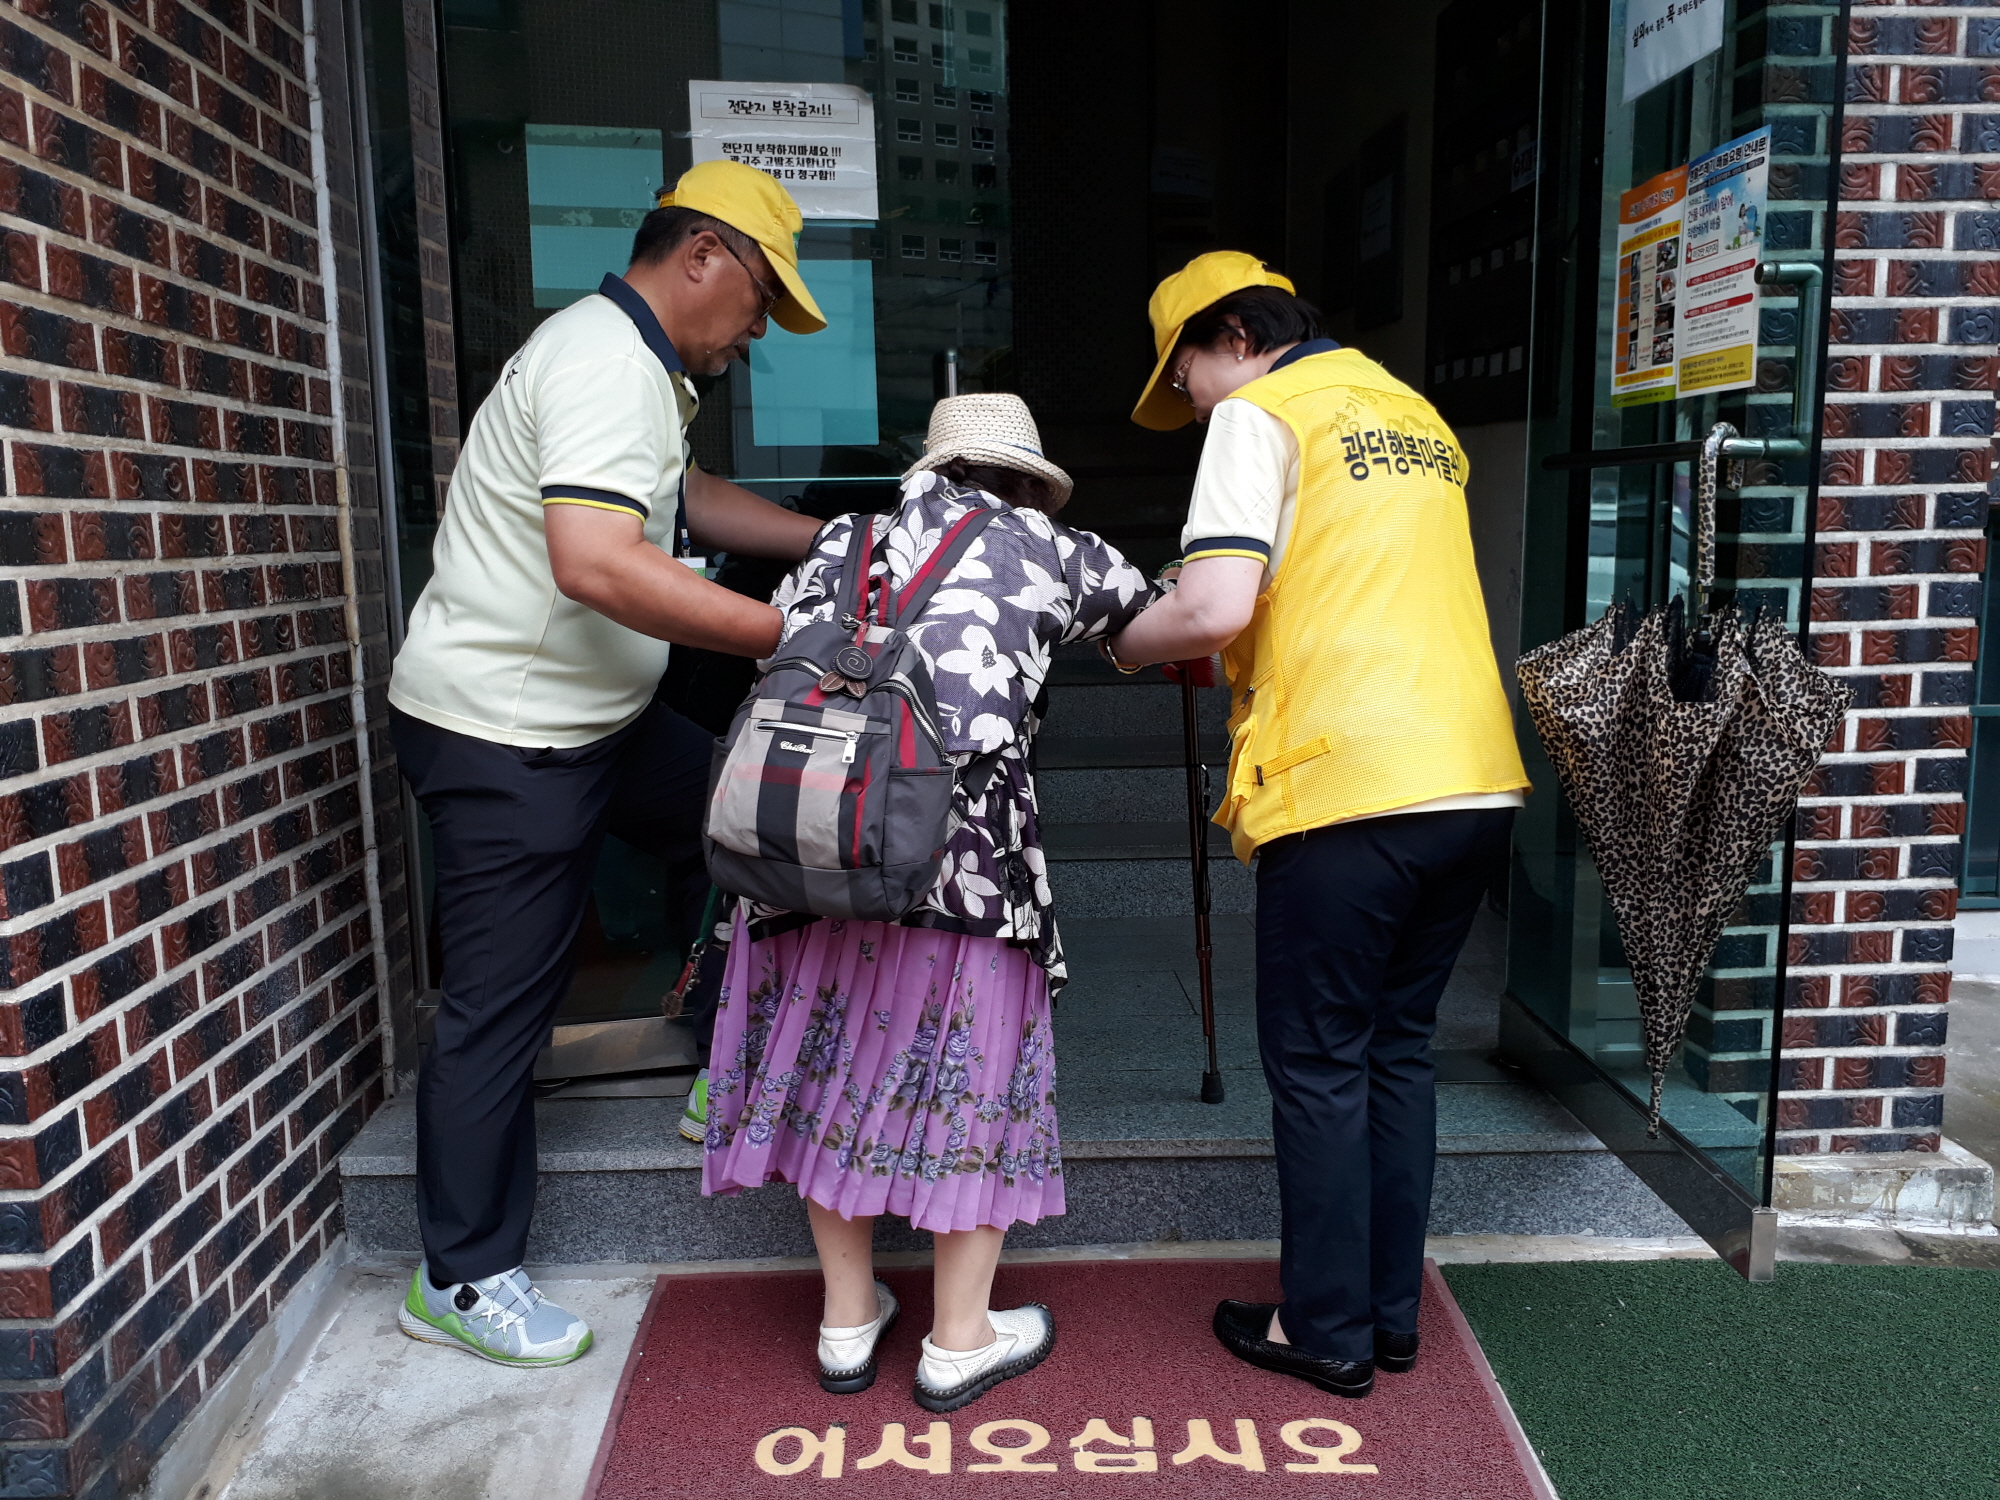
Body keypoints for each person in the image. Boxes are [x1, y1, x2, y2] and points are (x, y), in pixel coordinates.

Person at [387, 160, 828, 1367]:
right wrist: (795, 632)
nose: (752, 338)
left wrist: (825, 541)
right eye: (759, 302)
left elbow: (675, 499)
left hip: (592, 713)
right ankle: (464, 1275)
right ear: (702, 256)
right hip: (508, 730)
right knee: (499, 1005)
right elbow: (595, 561)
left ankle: (712, 1051)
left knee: (750, 822)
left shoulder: (633, 369)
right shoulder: (600, 361)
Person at [1106, 252, 1531, 1398]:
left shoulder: (1259, 414)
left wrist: (1122, 640)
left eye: (1182, 369)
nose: (1186, 396)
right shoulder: (1411, 412)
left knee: (1317, 1064)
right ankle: (1384, 1318)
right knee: (1394, 1054)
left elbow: (1211, 605)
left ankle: (1325, 1330)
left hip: (1345, 785)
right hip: (1471, 778)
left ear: (1233, 334)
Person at [700, 394, 1157, 1411]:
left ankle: (846, 1320)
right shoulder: (1053, 547)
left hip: (814, 849)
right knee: (974, 1079)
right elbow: (1169, 622)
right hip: (964, 864)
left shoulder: (840, 538)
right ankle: (958, 1339)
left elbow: (777, 647)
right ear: (1028, 481)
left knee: (826, 1063)